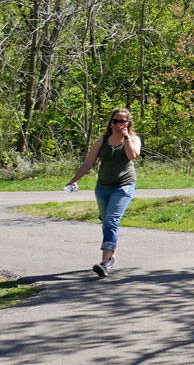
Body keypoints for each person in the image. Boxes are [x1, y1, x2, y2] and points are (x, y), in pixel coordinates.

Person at [65, 108, 142, 278]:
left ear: (128, 123)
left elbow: (132, 155)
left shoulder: (134, 139)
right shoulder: (101, 142)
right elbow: (88, 164)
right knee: (105, 219)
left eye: (122, 121)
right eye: (115, 121)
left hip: (124, 186)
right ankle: (112, 256)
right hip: (103, 187)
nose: (118, 124)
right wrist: (74, 180)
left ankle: (104, 262)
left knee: (112, 220)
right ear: (110, 122)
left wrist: (126, 136)